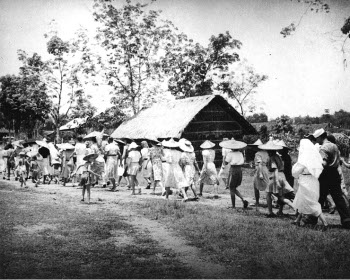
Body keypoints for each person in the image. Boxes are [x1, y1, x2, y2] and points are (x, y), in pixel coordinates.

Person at [313, 128, 350, 229]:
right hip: (335, 173)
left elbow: (323, 163)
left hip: (326, 174)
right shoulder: (334, 146)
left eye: (317, 138)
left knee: (320, 197)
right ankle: (347, 220)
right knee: (338, 198)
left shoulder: (324, 148)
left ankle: (312, 219)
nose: (316, 141)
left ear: (321, 137)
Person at [292, 139, 328, 229]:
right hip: (312, 181)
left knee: (310, 203)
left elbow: (295, 172)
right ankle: (297, 220)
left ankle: (325, 223)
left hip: (306, 182)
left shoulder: (304, 160)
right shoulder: (314, 159)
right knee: (302, 201)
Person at [258, 140, 286, 217]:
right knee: (280, 195)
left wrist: (275, 179)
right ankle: (280, 211)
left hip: (275, 175)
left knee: (268, 193)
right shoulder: (278, 156)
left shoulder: (272, 157)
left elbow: (274, 168)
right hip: (281, 174)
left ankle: (270, 212)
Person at [221, 138, 248, 209]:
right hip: (239, 170)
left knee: (231, 188)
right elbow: (242, 162)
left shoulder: (230, 154)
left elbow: (225, 163)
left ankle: (233, 205)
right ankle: (243, 199)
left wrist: (224, 157)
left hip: (233, 169)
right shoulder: (240, 153)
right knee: (233, 188)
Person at [249, 139, 269, 210]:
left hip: (260, 170)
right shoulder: (266, 153)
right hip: (266, 169)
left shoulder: (258, 154)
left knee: (256, 186)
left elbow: (259, 163)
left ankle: (257, 201)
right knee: (267, 185)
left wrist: (260, 173)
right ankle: (271, 201)